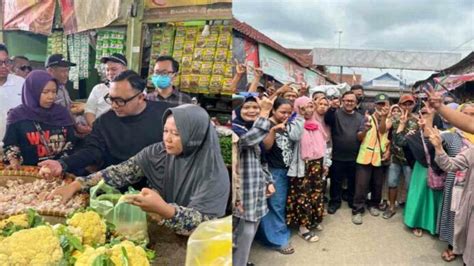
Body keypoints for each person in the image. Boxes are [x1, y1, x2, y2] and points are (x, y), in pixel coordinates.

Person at [49, 104, 229, 234]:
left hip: (196, 246)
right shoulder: (158, 152)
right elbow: (120, 172)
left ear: (195, 136)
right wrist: (76, 185)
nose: (168, 138)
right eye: (166, 131)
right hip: (163, 232)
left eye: (176, 134)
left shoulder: (213, 172)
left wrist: (164, 210)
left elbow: (206, 225)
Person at [38, 70, 173, 180]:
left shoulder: (166, 116)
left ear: (140, 97)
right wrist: (63, 163)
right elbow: (92, 150)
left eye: (120, 101)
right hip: (115, 186)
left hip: (157, 185)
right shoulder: (105, 122)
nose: (114, 106)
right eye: (111, 99)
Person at [232, 96, 275, 266]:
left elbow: (261, 160)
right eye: (246, 107)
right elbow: (248, 140)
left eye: (255, 107)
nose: (252, 111)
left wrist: (269, 181)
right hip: (241, 193)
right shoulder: (235, 130)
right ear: (237, 111)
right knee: (240, 233)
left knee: (249, 231)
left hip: (256, 190)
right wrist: (264, 112)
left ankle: (241, 261)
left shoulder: (255, 129)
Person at [2, 71, 75, 168]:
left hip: (59, 171)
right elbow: (10, 145)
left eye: (54, 92)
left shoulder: (62, 113)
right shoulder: (17, 115)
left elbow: (71, 142)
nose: (51, 97)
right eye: (45, 92)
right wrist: (15, 160)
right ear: (32, 91)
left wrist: (61, 162)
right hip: (28, 174)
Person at [258, 98, 302, 254]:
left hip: (286, 169)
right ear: (273, 110)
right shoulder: (267, 124)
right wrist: (273, 130)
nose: (286, 115)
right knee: (275, 205)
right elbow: (266, 147)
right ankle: (277, 240)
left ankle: (269, 233)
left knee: (279, 204)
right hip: (274, 170)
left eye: (289, 113)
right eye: (283, 112)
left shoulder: (289, 123)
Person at [433, 103, 474, 262]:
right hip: (460, 188)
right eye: (465, 114)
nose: (469, 118)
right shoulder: (452, 135)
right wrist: (438, 147)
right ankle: (454, 246)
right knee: (456, 218)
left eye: (473, 114)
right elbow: (449, 164)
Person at [287, 96, 327, 242]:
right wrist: (300, 116)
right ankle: (303, 228)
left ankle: (313, 220)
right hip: (302, 166)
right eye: (304, 107)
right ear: (297, 108)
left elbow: (323, 146)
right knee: (302, 196)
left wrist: (325, 164)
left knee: (316, 193)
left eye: (310, 106)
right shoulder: (293, 122)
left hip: (317, 164)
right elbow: (295, 136)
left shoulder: (316, 124)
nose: (308, 110)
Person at [402, 106, 443, 237]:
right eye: (423, 113)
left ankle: (433, 225)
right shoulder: (413, 134)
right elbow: (401, 144)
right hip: (420, 169)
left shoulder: (443, 133)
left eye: (429, 113)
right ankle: (416, 223)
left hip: (438, 169)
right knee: (418, 196)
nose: (425, 115)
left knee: (434, 197)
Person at [351, 93, 390, 225]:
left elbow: (383, 131)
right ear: (375, 105)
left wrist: (384, 117)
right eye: (379, 104)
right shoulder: (366, 118)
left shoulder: (389, 119)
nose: (381, 106)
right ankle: (357, 210)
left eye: (384, 104)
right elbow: (359, 137)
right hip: (364, 157)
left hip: (379, 157)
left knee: (377, 185)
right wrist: (365, 130)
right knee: (361, 185)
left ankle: (373, 205)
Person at [325, 91, 364, 214]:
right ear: (342, 101)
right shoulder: (335, 113)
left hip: (354, 156)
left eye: (352, 101)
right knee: (336, 181)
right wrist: (331, 108)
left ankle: (352, 200)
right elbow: (327, 120)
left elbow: (361, 134)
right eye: (347, 100)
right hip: (337, 155)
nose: (349, 103)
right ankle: (335, 202)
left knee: (353, 181)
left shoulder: (360, 117)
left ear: (356, 103)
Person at [383, 94, 419, 219]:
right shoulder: (395, 119)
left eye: (410, 104)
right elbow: (385, 132)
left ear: (414, 105)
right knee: (392, 182)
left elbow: (409, 141)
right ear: (400, 105)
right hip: (395, 157)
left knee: (410, 185)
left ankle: (409, 210)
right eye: (405, 104)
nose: (408, 106)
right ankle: (391, 206)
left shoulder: (417, 121)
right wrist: (386, 115)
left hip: (409, 159)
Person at [45, 54, 91, 136]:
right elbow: (61, 112)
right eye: (63, 71)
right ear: (50, 71)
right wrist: (77, 127)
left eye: (68, 70)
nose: (66, 74)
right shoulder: (46, 89)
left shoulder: (62, 86)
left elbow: (68, 106)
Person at [84, 53, 128, 126]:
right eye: (107, 70)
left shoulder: (134, 90)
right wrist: (95, 129)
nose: (110, 73)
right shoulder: (98, 88)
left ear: (124, 69)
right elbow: (89, 111)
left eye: (114, 69)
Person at [0, 44, 24, 146]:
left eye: (7, 62)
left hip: (17, 144)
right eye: (0, 63)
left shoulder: (21, 83)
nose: (4, 66)